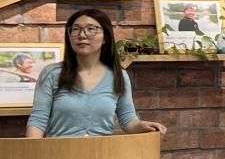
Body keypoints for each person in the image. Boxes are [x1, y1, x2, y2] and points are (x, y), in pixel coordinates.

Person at [26, 9, 167, 139]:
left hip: (102, 154)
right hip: (58, 154)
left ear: (105, 37)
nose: (82, 35)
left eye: (91, 29)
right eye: (75, 29)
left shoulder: (118, 75)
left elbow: (128, 120)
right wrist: (32, 153)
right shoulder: (52, 73)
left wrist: (142, 126)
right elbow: (38, 120)